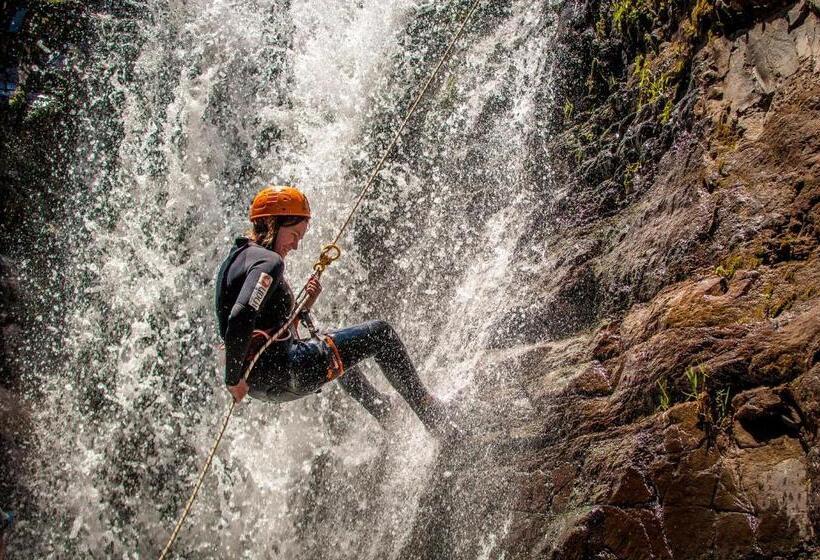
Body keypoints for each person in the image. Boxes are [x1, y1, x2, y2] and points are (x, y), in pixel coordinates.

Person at [214, 185, 458, 438]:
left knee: (341, 346)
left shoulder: (235, 260)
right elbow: (241, 317)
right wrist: (232, 379)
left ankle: (382, 408)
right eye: (294, 234)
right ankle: (432, 415)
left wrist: (306, 304)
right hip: (288, 370)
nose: (296, 246)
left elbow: (266, 328)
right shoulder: (269, 261)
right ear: (273, 223)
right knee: (381, 334)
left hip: (262, 383)